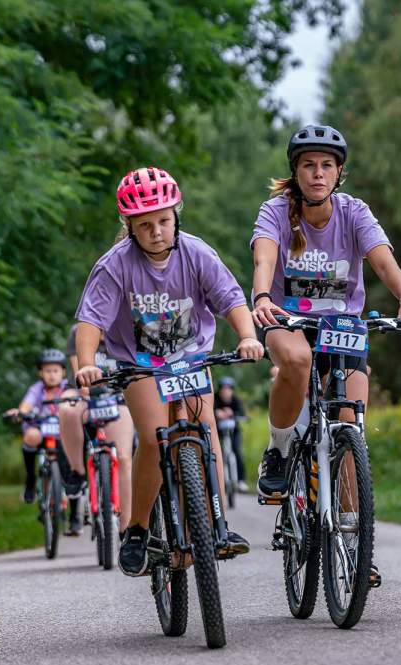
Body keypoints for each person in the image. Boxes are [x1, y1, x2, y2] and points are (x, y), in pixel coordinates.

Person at [249, 124, 401, 585]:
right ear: (295, 171)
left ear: (339, 173)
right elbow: (264, 259)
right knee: (295, 362)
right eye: (308, 165)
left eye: (326, 165)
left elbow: (382, 259)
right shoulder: (276, 212)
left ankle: (353, 546)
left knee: (350, 433)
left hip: (343, 328)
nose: (317, 173)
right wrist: (260, 297)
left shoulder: (354, 213)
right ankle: (277, 450)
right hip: (287, 321)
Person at [74, 166, 264, 577]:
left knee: (204, 425)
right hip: (140, 365)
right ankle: (139, 528)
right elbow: (91, 322)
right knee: (153, 435)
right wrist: (88, 362)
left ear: (176, 215)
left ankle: (217, 525)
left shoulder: (196, 253)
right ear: (130, 227)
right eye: (144, 225)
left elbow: (231, 299)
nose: (156, 231)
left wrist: (247, 336)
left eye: (163, 220)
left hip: (191, 358)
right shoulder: (115, 266)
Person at [58, 324, 135, 533]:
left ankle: (127, 529)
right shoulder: (78, 331)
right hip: (85, 394)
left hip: (118, 396)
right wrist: (86, 391)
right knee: (66, 408)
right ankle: (78, 471)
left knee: (125, 458)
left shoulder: (128, 326)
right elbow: (78, 372)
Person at [5, 349, 71, 509]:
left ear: (63, 372)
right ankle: (30, 479)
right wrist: (19, 412)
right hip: (41, 431)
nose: (52, 375)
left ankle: (72, 488)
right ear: (40, 373)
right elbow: (26, 406)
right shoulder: (37, 389)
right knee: (31, 436)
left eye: (55, 370)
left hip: (62, 435)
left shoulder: (67, 387)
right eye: (47, 371)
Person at [213, 376, 249, 492]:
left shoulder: (236, 400)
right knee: (217, 453)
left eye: (228, 389)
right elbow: (209, 411)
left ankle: (241, 480)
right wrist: (216, 413)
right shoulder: (215, 399)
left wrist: (233, 413)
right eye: (223, 389)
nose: (226, 391)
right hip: (218, 432)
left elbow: (242, 413)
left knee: (237, 451)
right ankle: (218, 480)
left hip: (234, 432)